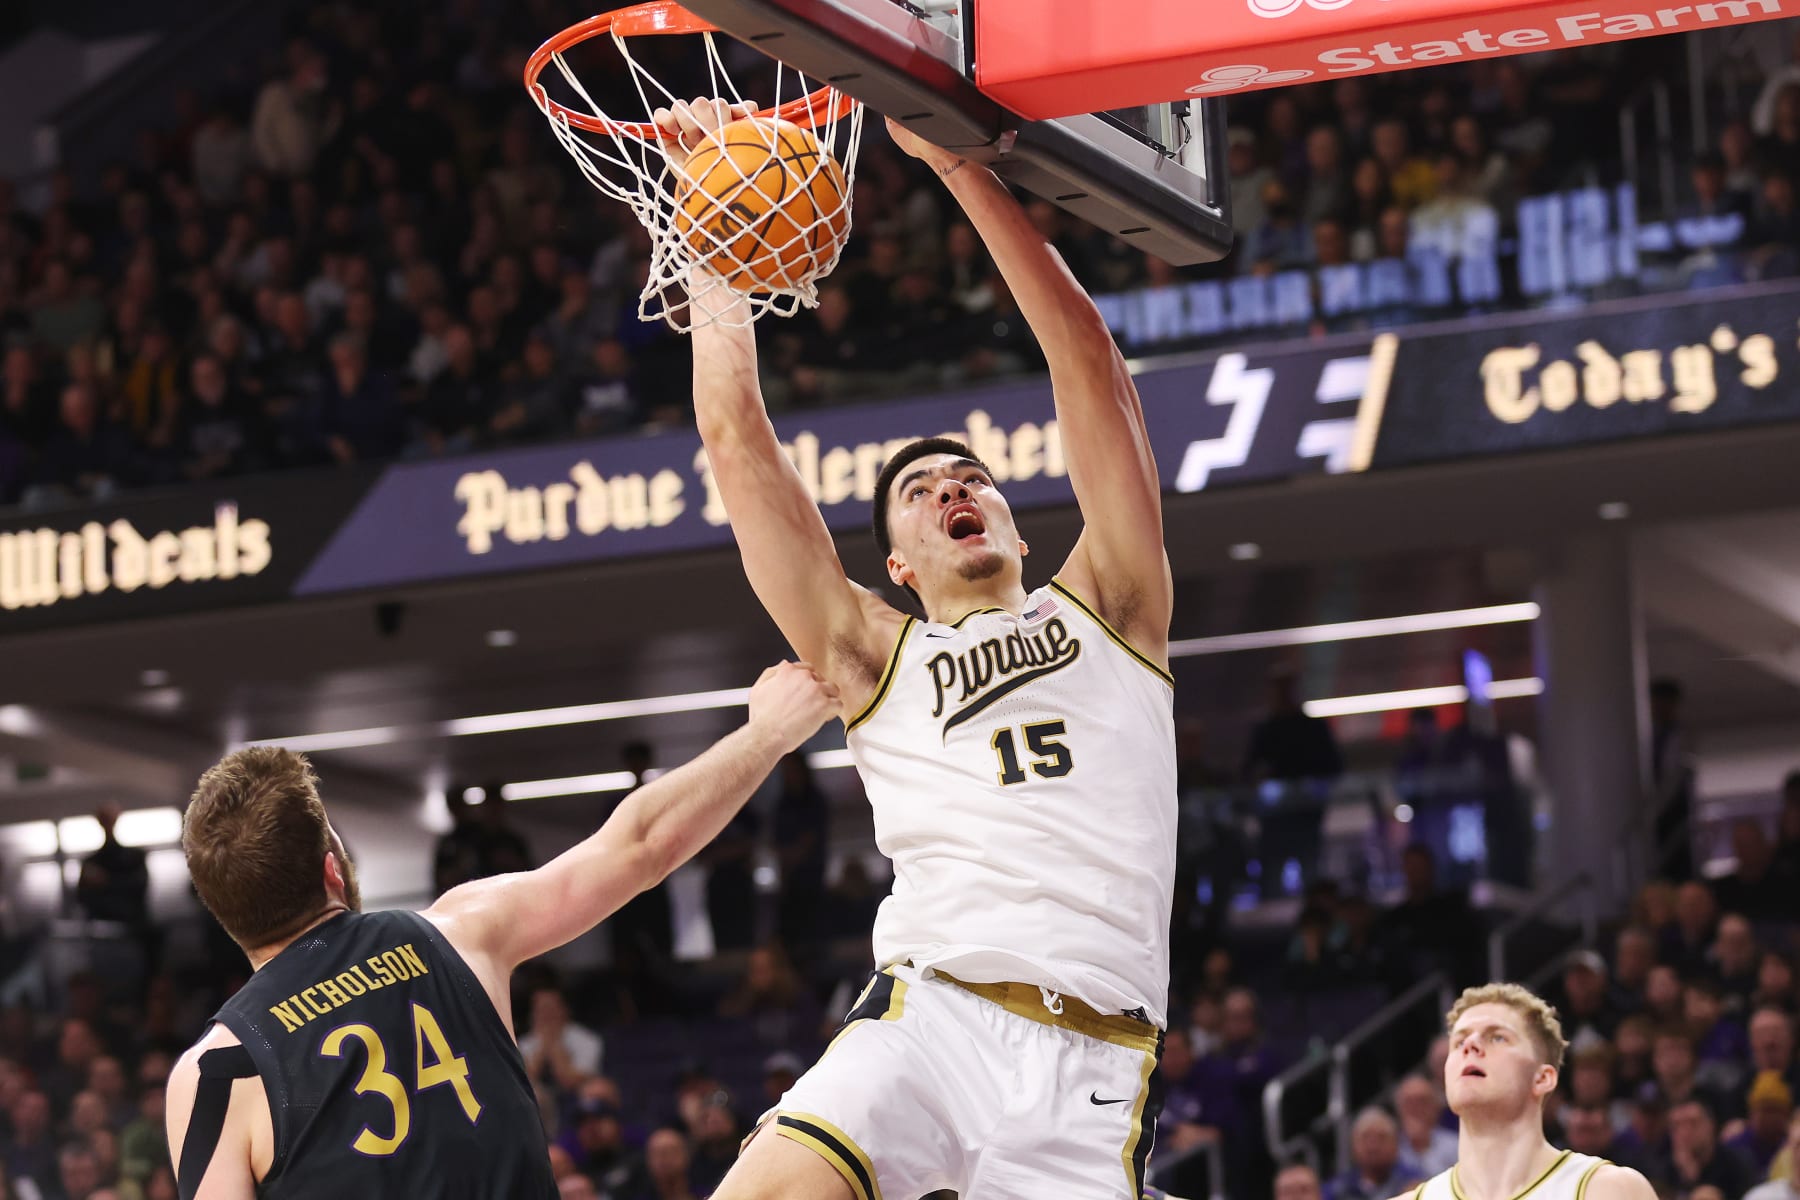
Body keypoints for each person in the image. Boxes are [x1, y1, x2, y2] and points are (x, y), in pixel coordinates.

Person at [662, 98, 1177, 1200]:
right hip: (932, 1019)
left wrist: (958, 167)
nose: (952, 488)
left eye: (973, 479)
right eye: (919, 491)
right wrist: (714, 244)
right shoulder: (867, 656)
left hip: (1096, 1058)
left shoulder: (1113, 607)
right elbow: (734, 438)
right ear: (899, 563)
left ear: (1015, 526)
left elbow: (1090, 364)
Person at [165, 662, 837, 1198]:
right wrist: (767, 733)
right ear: (333, 869)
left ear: (225, 914)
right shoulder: (458, 932)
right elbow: (641, 845)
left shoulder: (216, 1072)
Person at [1394, 983, 1657, 1200]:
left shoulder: (1608, 1190)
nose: (1470, 1045)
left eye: (1497, 1037)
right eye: (1460, 1041)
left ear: (1542, 1078)